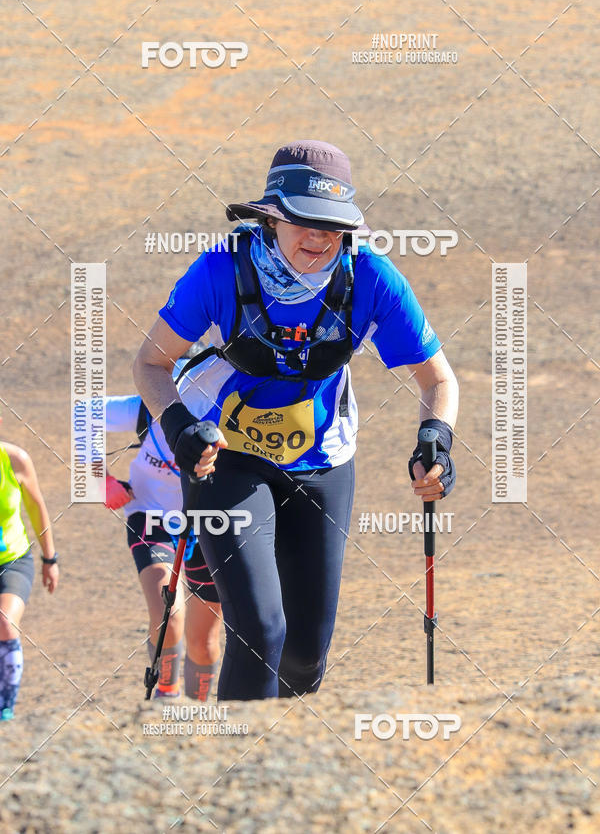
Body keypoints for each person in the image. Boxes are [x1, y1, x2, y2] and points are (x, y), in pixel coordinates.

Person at [133, 139, 459, 701]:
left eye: (333, 226)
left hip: (323, 462)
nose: (319, 238)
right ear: (271, 215)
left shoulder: (370, 278)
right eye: (304, 221)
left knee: (306, 653)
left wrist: (437, 440)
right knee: (262, 632)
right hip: (225, 460)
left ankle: (280, 756)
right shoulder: (219, 271)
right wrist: (179, 424)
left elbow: (439, 380)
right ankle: (232, 773)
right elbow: (150, 363)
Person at [103, 351, 222, 700]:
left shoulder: (229, 413)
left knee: (204, 642)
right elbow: (83, 413)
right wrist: (98, 479)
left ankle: (196, 715)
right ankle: (165, 697)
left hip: (210, 524)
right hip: (150, 515)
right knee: (168, 618)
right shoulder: (144, 407)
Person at [0, 425, 58, 720]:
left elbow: (37, 509)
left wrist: (50, 558)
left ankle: (4, 711)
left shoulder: (14, 459)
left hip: (12, 560)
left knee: (5, 623)